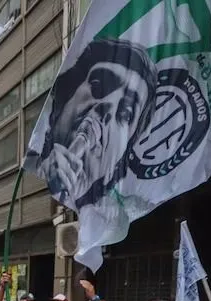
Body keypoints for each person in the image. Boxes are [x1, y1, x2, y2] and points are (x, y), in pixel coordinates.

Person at [25, 37, 157, 213]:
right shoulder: (30, 172)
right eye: (98, 86)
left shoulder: (114, 220)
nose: (108, 105)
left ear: (122, 158)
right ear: (65, 99)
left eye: (126, 114)